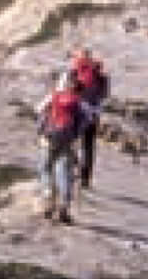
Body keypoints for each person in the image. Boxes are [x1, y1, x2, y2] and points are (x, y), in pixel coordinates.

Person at [36, 79, 92, 223]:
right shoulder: (81, 103)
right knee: (65, 172)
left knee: (46, 168)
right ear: (80, 91)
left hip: (49, 137)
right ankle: (64, 207)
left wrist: (41, 131)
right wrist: (76, 136)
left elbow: (39, 109)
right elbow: (87, 121)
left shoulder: (54, 96)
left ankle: (48, 198)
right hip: (68, 141)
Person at [62, 47, 112, 193]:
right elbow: (104, 96)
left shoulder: (74, 72)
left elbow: (66, 91)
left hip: (75, 112)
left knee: (70, 141)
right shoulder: (101, 76)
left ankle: (71, 169)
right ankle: (85, 179)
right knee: (88, 146)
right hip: (93, 115)